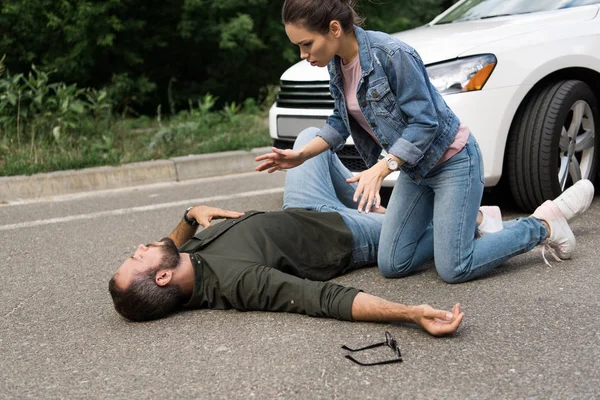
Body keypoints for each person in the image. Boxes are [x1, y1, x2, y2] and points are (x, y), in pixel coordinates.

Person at [255, 0, 595, 283]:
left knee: (455, 268)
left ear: (333, 29)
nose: (302, 54)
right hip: (418, 172)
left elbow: (426, 122)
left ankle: (542, 226)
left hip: (454, 162)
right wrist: (301, 156)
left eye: (306, 44)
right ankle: (473, 222)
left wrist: (382, 167)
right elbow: (339, 122)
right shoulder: (338, 65)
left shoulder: (391, 54)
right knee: (392, 264)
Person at [108, 129, 467, 336]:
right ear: (163, 276)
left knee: (310, 140)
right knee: (440, 227)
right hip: (345, 234)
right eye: (138, 257)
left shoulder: (180, 258)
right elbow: (322, 298)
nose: (139, 246)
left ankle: (371, 203)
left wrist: (189, 216)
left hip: (302, 206)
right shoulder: (237, 282)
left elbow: (168, 243)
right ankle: (479, 222)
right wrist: (410, 314)